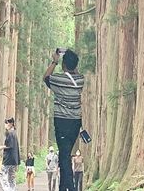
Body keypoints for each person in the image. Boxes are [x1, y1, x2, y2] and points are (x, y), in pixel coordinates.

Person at [44, 48, 85, 191]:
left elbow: (46, 77)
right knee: (64, 155)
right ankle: (63, 188)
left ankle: (72, 188)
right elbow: (75, 72)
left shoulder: (58, 79)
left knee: (64, 155)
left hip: (61, 122)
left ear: (63, 65)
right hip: (75, 123)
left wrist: (55, 61)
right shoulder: (80, 80)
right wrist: (70, 60)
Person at [0, 116, 20, 191]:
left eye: (6, 123)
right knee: (11, 176)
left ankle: (7, 189)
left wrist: (3, 147)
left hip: (8, 159)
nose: (5, 125)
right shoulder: (14, 133)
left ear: (11, 124)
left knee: (2, 174)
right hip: (14, 159)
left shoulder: (10, 133)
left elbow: (10, 145)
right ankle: (12, 189)